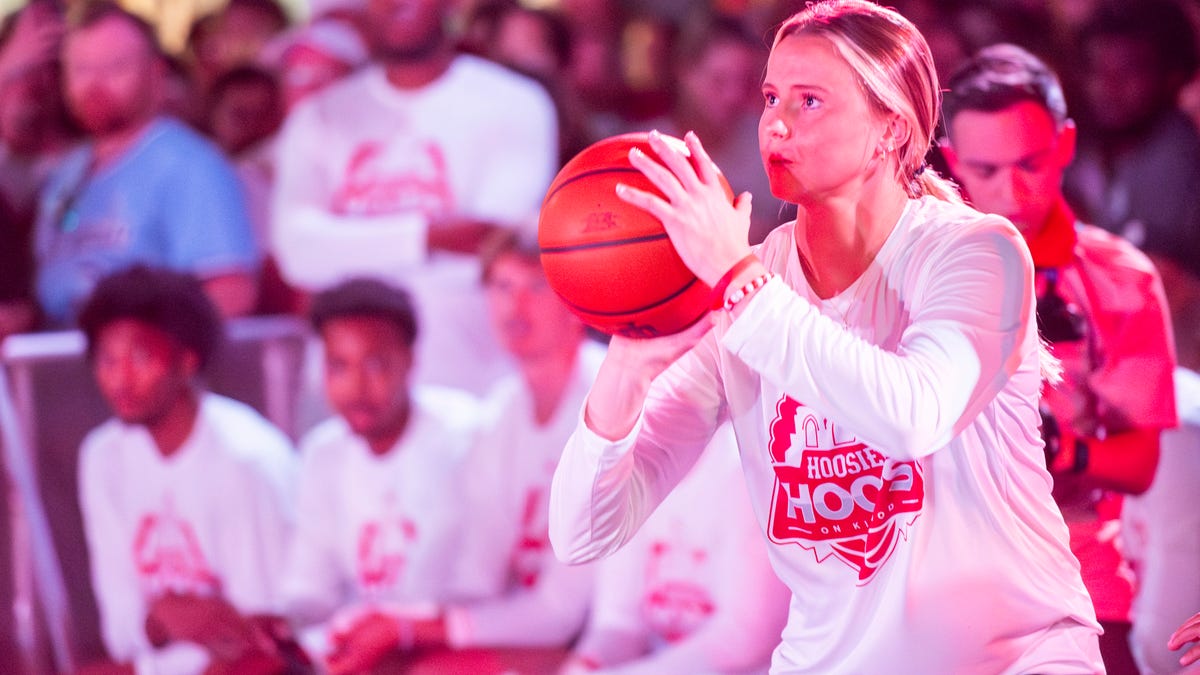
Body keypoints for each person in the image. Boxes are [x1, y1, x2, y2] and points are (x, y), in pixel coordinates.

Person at [548, 1, 1102, 672]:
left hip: (1014, 658)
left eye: (810, 101)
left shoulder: (976, 252)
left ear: (892, 129)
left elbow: (914, 414)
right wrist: (628, 363)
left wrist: (737, 277)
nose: (776, 123)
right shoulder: (746, 291)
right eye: (772, 96)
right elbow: (582, 531)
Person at [939, 43, 1178, 674]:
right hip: (939, 578)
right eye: (985, 169)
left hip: (1080, 579)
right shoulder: (916, 272)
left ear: (1066, 145)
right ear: (952, 161)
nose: (1011, 191)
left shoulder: (1121, 278)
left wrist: (1070, 456)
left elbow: (1140, 463)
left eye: (1031, 164)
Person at [270, 0, 558, 396]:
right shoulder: (317, 118)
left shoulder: (515, 103)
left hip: (473, 393)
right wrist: (429, 237)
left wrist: (344, 253)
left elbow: (491, 246)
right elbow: (298, 252)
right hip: (342, 407)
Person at [376, 231, 601, 672]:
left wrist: (413, 630)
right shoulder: (501, 411)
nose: (515, 306)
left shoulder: (609, 396)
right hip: (540, 625)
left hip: (601, 640)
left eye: (537, 286)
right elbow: (478, 573)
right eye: (501, 286)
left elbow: (563, 613)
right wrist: (407, 626)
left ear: (579, 296)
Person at [75, 265, 298, 675]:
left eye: (140, 358)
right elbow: (120, 628)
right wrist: (160, 621)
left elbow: (267, 638)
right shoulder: (101, 457)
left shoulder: (246, 459)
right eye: (107, 360)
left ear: (186, 361)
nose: (121, 379)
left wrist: (187, 629)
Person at [280, 277, 485, 674]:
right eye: (338, 366)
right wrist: (279, 627)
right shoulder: (322, 453)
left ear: (410, 360)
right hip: (362, 650)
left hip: (448, 651)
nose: (356, 387)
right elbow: (309, 590)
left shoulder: (467, 435)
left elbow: (481, 592)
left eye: (375, 364)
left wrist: (401, 633)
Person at [34, 1, 260, 327]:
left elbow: (230, 292)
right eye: (81, 69)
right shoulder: (65, 172)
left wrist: (145, 352)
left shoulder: (190, 166)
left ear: (156, 74)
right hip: (59, 364)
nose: (95, 85)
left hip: (140, 370)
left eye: (115, 67)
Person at [559, 423, 790, 675]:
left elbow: (744, 639)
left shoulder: (745, 474)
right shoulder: (624, 472)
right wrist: (587, 664)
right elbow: (619, 623)